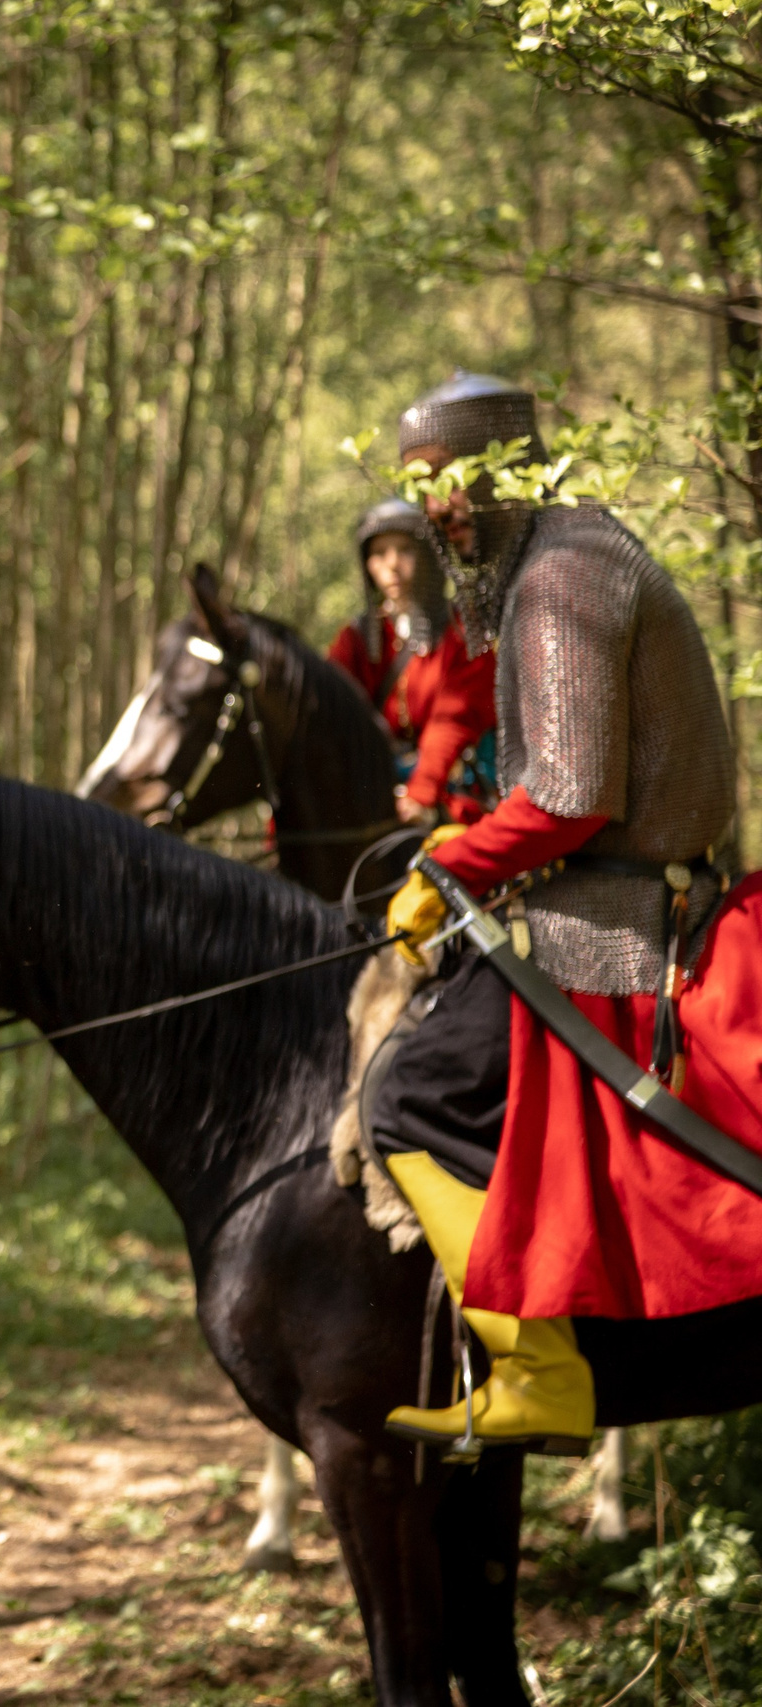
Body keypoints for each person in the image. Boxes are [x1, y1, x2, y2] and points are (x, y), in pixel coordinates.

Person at [371, 370, 757, 1453]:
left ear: (506, 469)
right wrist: (461, 850)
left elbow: (572, 796)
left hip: (613, 927)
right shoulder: (571, 553)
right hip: (601, 899)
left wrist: (452, 867)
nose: (436, 506)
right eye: (418, 484)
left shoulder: (561, 575)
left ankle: (538, 1370)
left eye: (448, 478)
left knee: (407, 1094)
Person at [325, 495, 497, 825]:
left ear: (428, 555)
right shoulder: (358, 638)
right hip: (381, 791)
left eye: (405, 549)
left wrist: (422, 791)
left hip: (456, 795)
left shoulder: (464, 633)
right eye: (379, 553)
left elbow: (453, 720)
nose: (391, 564)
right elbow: (327, 711)